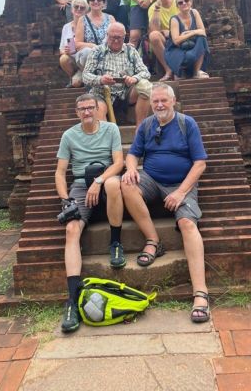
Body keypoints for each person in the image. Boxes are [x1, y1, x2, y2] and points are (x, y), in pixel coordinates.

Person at [121, 82, 210, 323]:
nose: (159, 105)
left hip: (181, 184)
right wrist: (130, 169)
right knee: (125, 184)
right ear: (150, 104)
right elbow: (133, 154)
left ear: (173, 102)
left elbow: (200, 163)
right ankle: (153, 240)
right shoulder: (147, 125)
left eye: (164, 101)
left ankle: (200, 294)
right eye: (155, 101)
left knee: (188, 225)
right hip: (151, 180)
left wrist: (181, 192)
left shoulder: (186, 123)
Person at [55, 93, 125, 333]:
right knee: (71, 228)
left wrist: (99, 180)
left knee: (115, 183)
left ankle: (115, 242)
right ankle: (72, 300)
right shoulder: (69, 136)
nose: (86, 112)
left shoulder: (111, 130)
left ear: (98, 110)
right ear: (77, 112)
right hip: (80, 186)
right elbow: (60, 171)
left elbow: (119, 163)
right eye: (82, 109)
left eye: (90, 108)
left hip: (105, 180)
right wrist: (65, 200)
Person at [82, 22, 152, 128]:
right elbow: (85, 75)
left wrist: (134, 78)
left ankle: (140, 129)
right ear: (107, 35)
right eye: (112, 37)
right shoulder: (97, 51)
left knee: (145, 85)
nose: (115, 40)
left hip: (125, 92)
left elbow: (145, 72)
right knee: (97, 109)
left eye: (119, 38)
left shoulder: (131, 51)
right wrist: (100, 79)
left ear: (124, 37)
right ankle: (108, 139)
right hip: (101, 94)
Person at [164, 0, 210, 79]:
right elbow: (176, 40)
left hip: (193, 48)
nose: (184, 3)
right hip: (178, 51)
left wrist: (190, 32)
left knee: (202, 38)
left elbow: (203, 32)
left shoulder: (194, 13)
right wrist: (195, 32)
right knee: (190, 56)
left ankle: (197, 72)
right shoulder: (175, 19)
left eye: (186, 0)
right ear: (177, 6)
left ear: (191, 2)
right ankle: (180, 71)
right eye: (180, 3)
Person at [74, 0, 115, 77]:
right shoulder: (82, 20)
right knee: (87, 52)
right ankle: (90, 76)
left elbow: (116, 39)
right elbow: (77, 44)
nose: (95, 1)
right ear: (89, 3)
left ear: (103, 3)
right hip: (87, 58)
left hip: (106, 55)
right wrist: (93, 47)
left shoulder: (111, 19)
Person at [147, 0, 178, 80]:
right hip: (166, 39)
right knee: (154, 36)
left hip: (181, 35)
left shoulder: (179, 1)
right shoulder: (153, 8)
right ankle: (169, 70)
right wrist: (157, 7)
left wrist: (172, 32)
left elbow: (188, 21)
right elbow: (154, 30)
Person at [59, 0, 88, 87]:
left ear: (86, 12)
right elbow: (61, 49)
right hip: (74, 61)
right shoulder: (66, 27)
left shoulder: (89, 25)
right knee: (63, 58)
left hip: (86, 61)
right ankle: (73, 77)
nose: (79, 9)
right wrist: (66, 51)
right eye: (76, 7)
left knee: (77, 83)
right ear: (72, 10)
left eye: (82, 8)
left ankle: (83, 77)